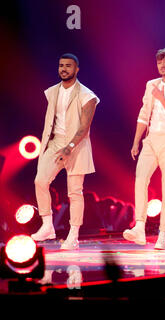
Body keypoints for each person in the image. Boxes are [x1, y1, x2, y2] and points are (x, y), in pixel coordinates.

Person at [123, 48, 165, 250]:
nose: (162, 65)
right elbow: (144, 114)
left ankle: (162, 234)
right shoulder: (151, 84)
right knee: (140, 180)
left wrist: (162, 98)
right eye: (159, 62)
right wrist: (136, 141)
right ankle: (140, 228)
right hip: (151, 140)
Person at [32, 53, 100, 250]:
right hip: (53, 143)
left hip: (76, 144)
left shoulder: (87, 95)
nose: (64, 69)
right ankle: (47, 225)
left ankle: (73, 235)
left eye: (68, 66)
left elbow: (84, 126)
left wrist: (70, 147)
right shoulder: (52, 91)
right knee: (40, 181)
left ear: (76, 69)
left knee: (75, 192)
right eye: (61, 65)